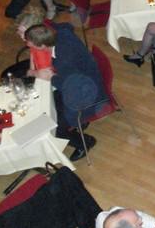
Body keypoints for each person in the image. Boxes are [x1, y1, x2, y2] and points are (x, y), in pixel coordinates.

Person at [25, 23, 107, 161]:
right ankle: (77, 125)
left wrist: (50, 78)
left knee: (54, 126)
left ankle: (85, 143)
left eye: (30, 43)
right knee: (47, 105)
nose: (27, 44)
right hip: (87, 81)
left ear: (42, 46)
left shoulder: (64, 62)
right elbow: (66, 25)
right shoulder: (61, 34)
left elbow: (72, 87)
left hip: (88, 95)